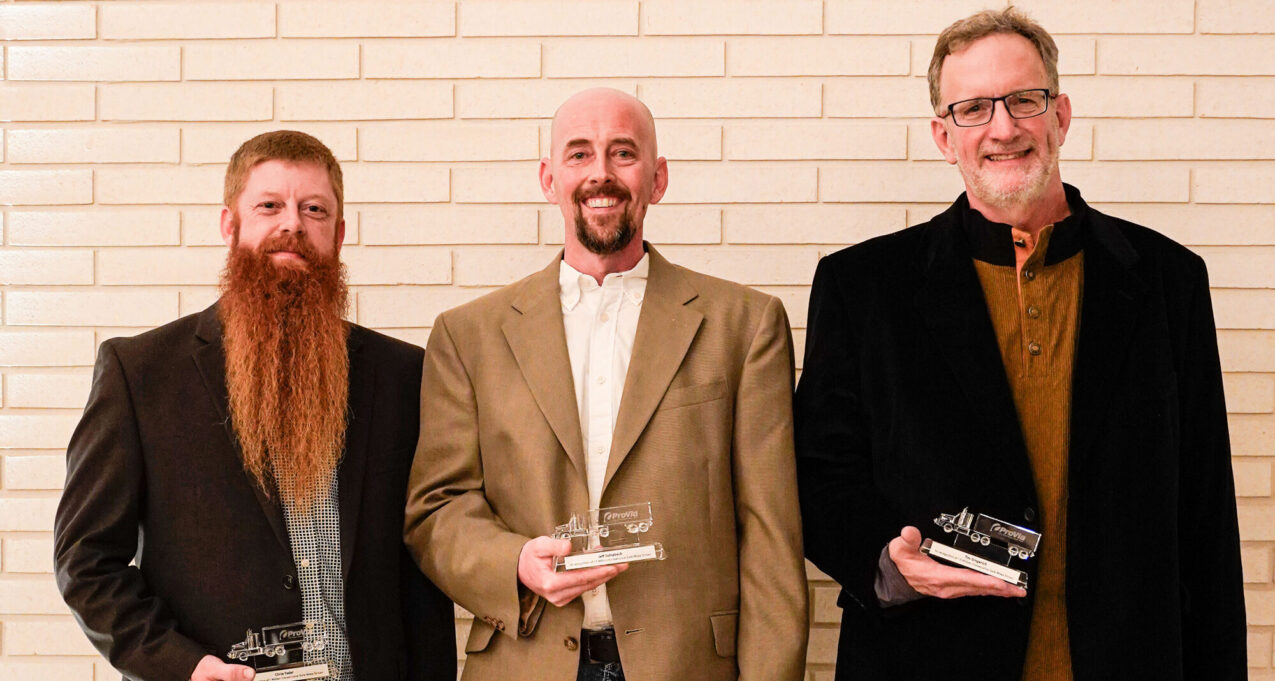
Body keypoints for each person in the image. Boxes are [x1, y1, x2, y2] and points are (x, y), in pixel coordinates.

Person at [795, 8, 1246, 681]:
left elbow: (1206, 516)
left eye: (1023, 101)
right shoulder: (862, 287)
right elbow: (817, 474)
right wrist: (887, 563)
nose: (1002, 128)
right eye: (972, 108)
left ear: (1059, 115)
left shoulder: (1166, 280)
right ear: (943, 137)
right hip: (928, 659)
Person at [403, 88, 808, 681]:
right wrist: (514, 561)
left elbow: (771, 533)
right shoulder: (468, 336)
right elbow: (436, 510)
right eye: (578, 154)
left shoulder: (744, 326)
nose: (601, 173)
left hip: (689, 666)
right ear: (548, 179)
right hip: (525, 661)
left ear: (657, 178)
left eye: (623, 153)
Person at [54, 130, 456, 681]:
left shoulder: (403, 375)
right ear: (230, 224)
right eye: (269, 205)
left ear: (338, 235)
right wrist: (186, 667)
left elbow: (421, 570)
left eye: (313, 209)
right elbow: (86, 562)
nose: (292, 223)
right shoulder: (141, 373)